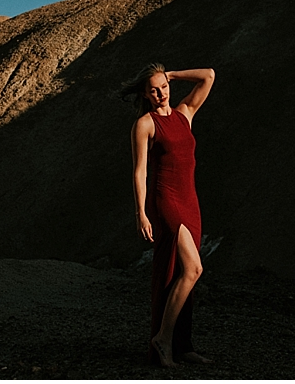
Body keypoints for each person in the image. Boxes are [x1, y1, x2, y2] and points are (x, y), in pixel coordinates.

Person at [122, 63, 215, 367]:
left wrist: (171, 74)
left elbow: (209, 75)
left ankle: (182, 345)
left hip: (191, 201)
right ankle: (162, 339)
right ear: (145, 94)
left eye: (164, 87)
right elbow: (139, 173)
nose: (160, 93)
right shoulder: (145, 125)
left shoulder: (184, 113)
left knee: (180, 275)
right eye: (154, 89)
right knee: (193, 269)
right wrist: (141, 214)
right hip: (168, 200)